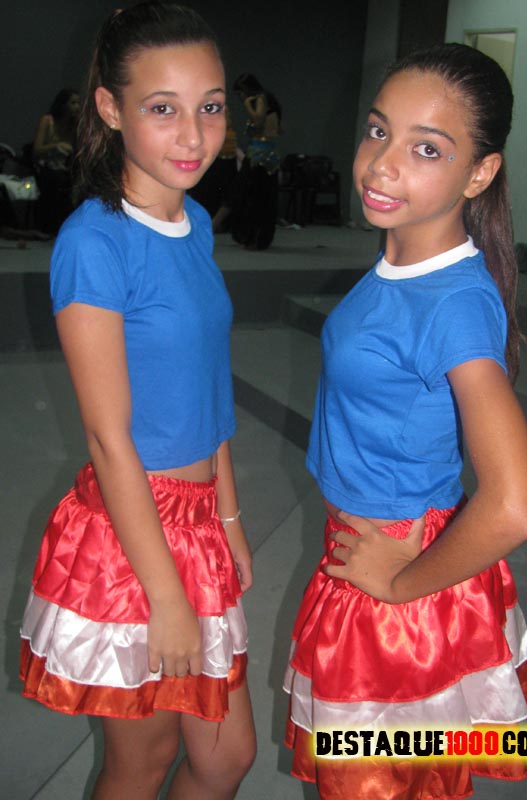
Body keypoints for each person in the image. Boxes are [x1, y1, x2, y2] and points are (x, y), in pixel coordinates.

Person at [284, 43, 527, 799]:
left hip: (396, 580)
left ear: (480, 174)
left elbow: (517, 504)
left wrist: (400, 587)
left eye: (426, 149)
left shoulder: (452, 302)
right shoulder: (402, 267)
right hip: (369, 556)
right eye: (378, 131)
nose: (381, 165)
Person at [19, 3, 256, 798]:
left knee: (224, 758)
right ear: (111, 108)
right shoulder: (95, 242)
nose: (194, 136)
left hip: (199, 521)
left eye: (210, 107)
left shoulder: (195, 223)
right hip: (134, 538)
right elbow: (107, 438)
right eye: (163, 109)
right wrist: (165, 595)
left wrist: (227, 517)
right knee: (144, 762)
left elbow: (209, 390)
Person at [230, 73, 281, 250]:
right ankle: (257, 237)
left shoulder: (260, 99)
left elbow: (258, 120)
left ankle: (253, 236)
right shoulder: (271, 102)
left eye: (240, 94)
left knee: (252, 195)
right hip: (269, 153)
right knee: (262, 196)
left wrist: (247, 105)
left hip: (259, 155)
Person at [32, 88, 80, 233]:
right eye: (73, 103)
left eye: (78, 103)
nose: (77, 107)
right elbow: (37, 149)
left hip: (65, 166)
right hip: (46, 166)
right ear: (63, 105)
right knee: (56, 180)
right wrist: (55, 146)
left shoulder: (74, 125)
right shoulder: (48, 121)